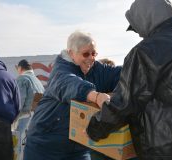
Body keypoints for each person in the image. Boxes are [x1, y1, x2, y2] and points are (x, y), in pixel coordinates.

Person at [86, 0, 172, 160]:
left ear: (146, 19)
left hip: (164, 151)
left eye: (137, 27)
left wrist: (94, 128)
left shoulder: (145, 51)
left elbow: (123, 104)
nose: (139, 34)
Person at [23, 31, 122, 160]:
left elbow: (122, 74)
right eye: (86, 54)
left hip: (78, 148)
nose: (91, 58)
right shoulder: (60, 71)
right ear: (71, 53)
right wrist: (96, 96)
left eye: (94, 54)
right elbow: (68, 84)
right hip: (43, 147)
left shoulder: (97, 70)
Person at [13, 59, 45, 158]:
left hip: (24, 119)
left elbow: (19, 102)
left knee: (19, 149)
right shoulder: (37, 81)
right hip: (37, 119)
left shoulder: (22, 78)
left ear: (20, 68)